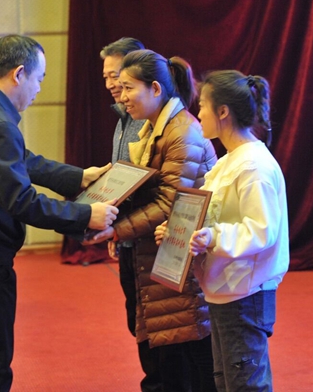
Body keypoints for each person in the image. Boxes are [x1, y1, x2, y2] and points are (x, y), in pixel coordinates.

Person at [0, 34, 119, 391]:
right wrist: (84, 215)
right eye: (39, 79)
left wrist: (77, 177)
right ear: (18, 74)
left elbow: (21, 160)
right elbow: (21, 201)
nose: (39, 90)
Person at [88, 49, 218, 391]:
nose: (121, 95)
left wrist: (116, 230)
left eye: (128, 87)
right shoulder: (154, 128)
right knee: (166, 357)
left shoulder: (182, 133)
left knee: (188, 360)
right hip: (159, 257)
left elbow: (168, 204)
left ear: (156, 89)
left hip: (181, 262)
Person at [155, 71, 290, 391]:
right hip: (226, 289)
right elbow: (212, 214)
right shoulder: (230, 161)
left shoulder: (253, 165)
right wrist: (179, 231)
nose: (198, 113)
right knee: (227, 381)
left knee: (244, 384)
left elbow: (261, 230)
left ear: (223, 111)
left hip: (246, 293)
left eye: (203, 105)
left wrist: (214, 237)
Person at [101, 37, 169, 391]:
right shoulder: (124, 118)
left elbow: (162, 197)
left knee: (161, 333)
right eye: (107, 78)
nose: (113, 86)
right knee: (139, 323)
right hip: (131, 240)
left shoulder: (162, 125)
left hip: (153, 242)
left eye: (119, 78)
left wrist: (118, 229)